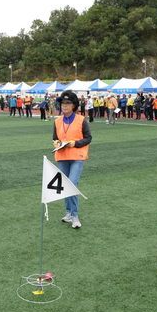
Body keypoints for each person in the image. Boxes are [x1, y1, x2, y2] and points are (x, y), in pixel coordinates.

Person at [52, 91, 92, 229]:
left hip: (77, 156)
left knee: (72, 185)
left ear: (74, 105)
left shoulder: (81, 120)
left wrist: (74, 143)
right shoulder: (57, 121)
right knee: (65, 186)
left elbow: (88, 138)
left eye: (68, 103)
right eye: (63, 103)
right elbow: (55, 138)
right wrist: (57, 143)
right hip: (62, 156)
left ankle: (75, 215)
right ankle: (68, 213)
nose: (65, 106)